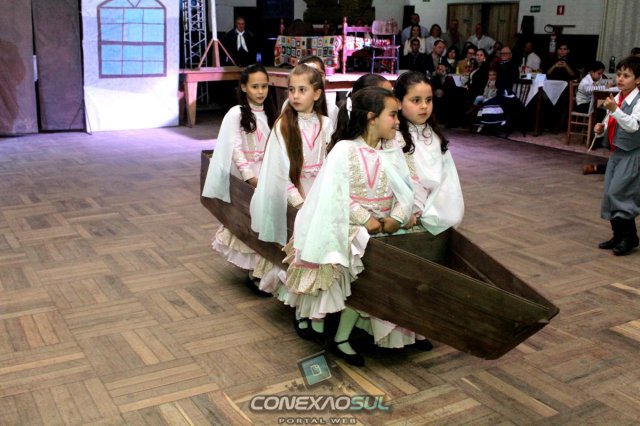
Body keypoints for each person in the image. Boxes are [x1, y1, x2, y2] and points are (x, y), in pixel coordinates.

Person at [283, 87, 415, 366]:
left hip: (384, 225)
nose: (397, 121)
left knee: (396, 263)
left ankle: (348, 332)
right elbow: (336, 194)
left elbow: (406, 191)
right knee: (355, 258)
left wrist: (397, 217)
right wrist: (366, 219)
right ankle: (330, 329)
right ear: (371, 117)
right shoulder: (345, 149)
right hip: (350, 223)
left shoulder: (394, 149)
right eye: (392, 115)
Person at [201, 65, 277, 294]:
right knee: (249, 222)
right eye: (255, 86)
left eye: (264, 86)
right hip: (248, 176)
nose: (260, 91)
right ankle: (255, 270)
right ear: (244, 87)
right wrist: (249, 177)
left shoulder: (271, 112)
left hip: (268, 173)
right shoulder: (237, 113)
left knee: (266, 223)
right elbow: (235, 148)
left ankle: (263, 270)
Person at [250, 63, 333, 247]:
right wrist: (300, 204)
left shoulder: (326, 124)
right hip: (293, 195)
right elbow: (279, 173)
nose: (295, 96)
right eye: (291, 90)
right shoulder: (283, 126)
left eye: (302, 90)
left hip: (319, 195)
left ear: (317, 94)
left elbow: (330, 166)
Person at [592, 56, 640, 256]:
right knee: (609, 193)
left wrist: (615, 110)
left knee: (620, 193)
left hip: (632, 154)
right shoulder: (618, 97)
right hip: (617, 153)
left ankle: (629, 237)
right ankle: (618, 235)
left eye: (626, 76)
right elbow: (609, 120)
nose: (620, 79)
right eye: (619, 74)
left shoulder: (638, 101)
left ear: (638, 80)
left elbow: (633, 125)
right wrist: (600, 129)